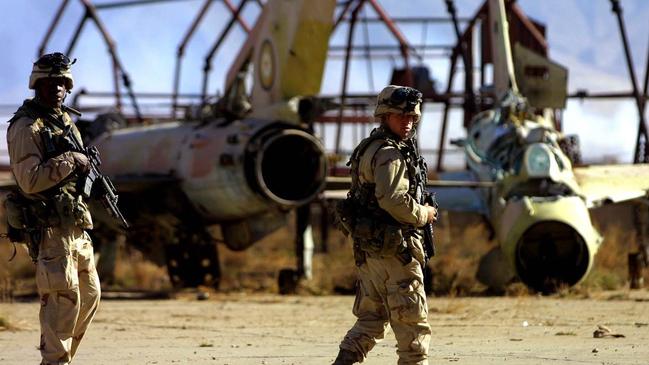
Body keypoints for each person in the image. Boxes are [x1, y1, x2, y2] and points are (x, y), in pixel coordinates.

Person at [6, 52, 100, 365]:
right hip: (49, 228)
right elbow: (30, 180)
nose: (57, 88)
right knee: (62, 299)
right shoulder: (26, 127)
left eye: (63, 82)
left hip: (74, 222)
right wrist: (71, 160)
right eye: (51, 82)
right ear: (37, 84)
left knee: (89, 295)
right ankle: (55, 361)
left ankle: (59, 360)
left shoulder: (64, 121)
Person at [333, 85, 437, 365]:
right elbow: (394, 201)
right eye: (400, 117)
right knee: (414, 332)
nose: (408, 122)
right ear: (385, 116)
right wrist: (424, 214)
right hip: (396, 252)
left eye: (412, 118)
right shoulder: (390, 154)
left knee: (371, 320)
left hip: (372, 253)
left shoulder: (371, 148)